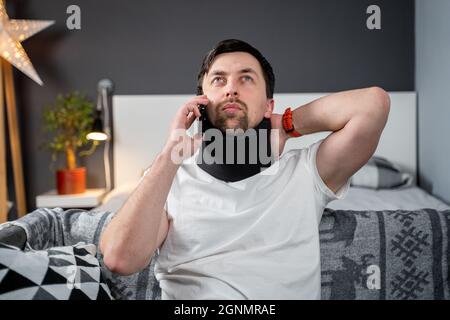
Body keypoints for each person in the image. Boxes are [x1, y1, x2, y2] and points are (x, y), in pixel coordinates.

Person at [99, 39, 390, 299]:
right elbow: (118, 258)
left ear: (268, 105)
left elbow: (373, 104)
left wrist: (288, 124)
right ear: (201, 101)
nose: (231, 89)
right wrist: (170, 154)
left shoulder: (305, 172)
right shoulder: (170, 177)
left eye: (246, 79)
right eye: (218, 80)